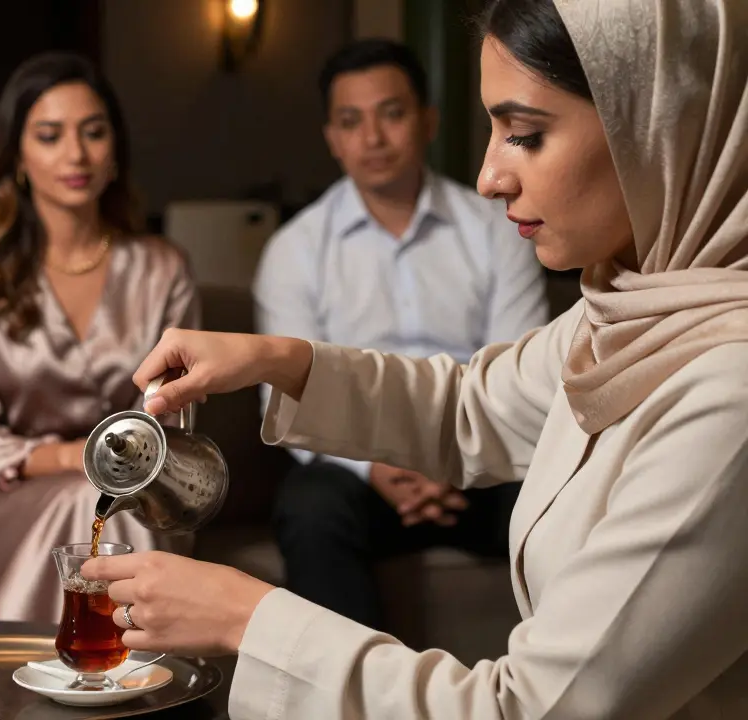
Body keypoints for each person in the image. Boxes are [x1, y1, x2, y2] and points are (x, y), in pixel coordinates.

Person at [82, 0, 748, 716]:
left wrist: (246, 618)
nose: (490, 175)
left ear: (656, 127)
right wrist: (277, 360)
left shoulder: (727, 394)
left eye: (524, 133)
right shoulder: (635, 305)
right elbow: (472, 404)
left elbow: (525, 709)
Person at [255, 38, 546, 627]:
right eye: (350, 121)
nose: (373, 137)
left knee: (554, 494)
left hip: (481, 463)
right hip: (361, 474)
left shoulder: (498, 226)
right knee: (310, 504)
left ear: (427, 120)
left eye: (391, 113)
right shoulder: (295, 251)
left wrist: (451, 458)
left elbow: (522, 372)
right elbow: (285, 395)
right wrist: (376, 467)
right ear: (332, 139)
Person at [0, 52, 198, 624]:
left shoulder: (163, 270)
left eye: (93, 133)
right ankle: (116, 682)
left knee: (107, 502)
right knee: (89, 498)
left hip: (136, 496)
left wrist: (105, 471)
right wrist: (81, 459)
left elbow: (169, 422)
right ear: (18, 157)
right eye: (50, 136)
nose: (75, 154)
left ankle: (109, 684)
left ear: (114, 151)